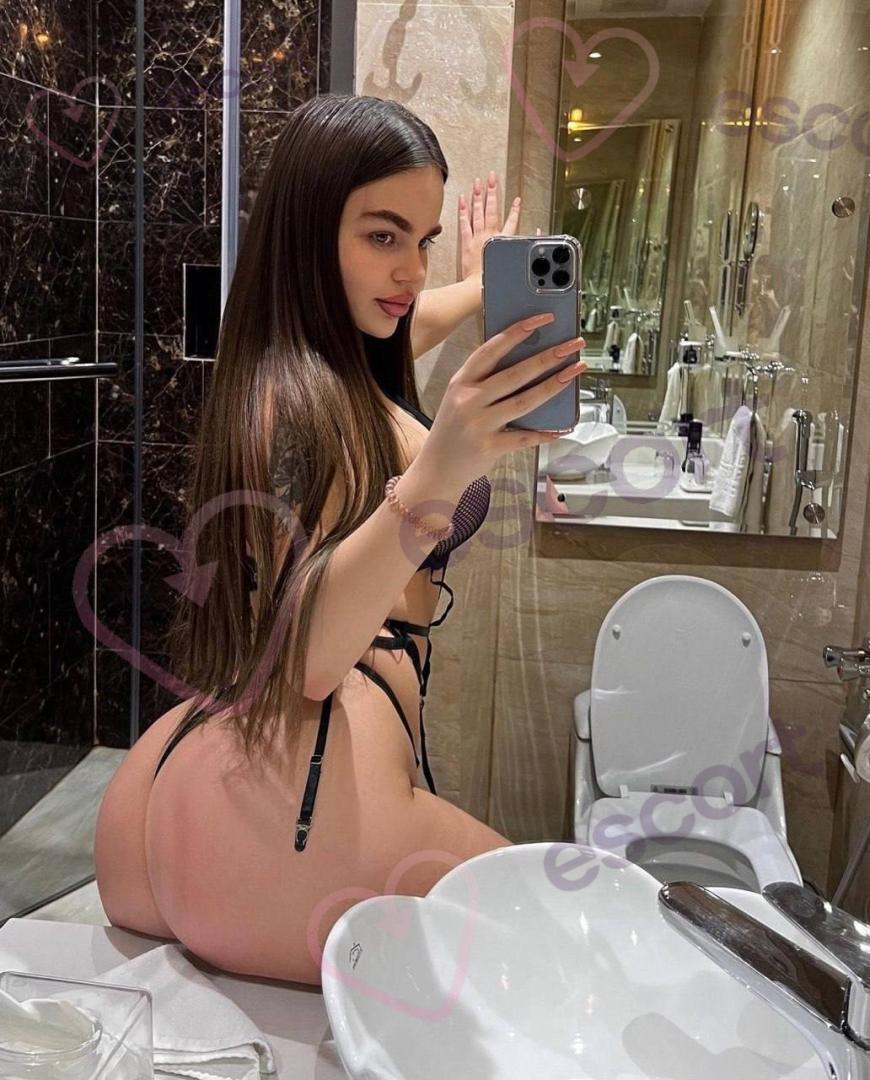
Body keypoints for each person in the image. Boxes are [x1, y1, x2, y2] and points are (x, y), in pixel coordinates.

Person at [94, 93, 587, 985]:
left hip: (176, 784)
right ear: (308, 230)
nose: (411, 272)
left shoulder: (298, 366)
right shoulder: (294, 412)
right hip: (306, 801)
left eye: (424, 240)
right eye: (382, 235)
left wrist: (483, 287)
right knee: (572, 949)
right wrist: (441, 470)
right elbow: (311, 661)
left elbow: (406, 316)